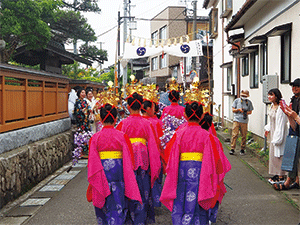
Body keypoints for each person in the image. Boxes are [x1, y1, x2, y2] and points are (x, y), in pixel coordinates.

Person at [160, 101, 229, 225]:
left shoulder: (179, 134)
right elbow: (213, 160)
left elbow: (171, 156)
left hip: (182, 170)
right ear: (202, 116)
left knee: (181, 198)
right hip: (201, 170)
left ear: (185, 116)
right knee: (199, 197)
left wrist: (170, 172)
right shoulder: (207, 136)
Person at [87, 102, 142, 225]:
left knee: (103, 207)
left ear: (100, 119)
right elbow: (129, 160)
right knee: (118, 206)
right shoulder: (122, 136)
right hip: (119, 175)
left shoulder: (95, 138)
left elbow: (92, 163)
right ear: (116, 119)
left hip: (101, 174)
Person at [116, 92, 161, 224]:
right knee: (144, 188)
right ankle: (141, 219)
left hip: (127, 158)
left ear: (128, 107)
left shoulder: (122, 124)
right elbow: (153, 146)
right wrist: (155, 166)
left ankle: (129, 218)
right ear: (141, 105)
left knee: (128, 186)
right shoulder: (147, 124)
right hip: (144, 158)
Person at [274, 78, 300, 190]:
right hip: (294, 131)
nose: (294, 89)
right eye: (293, 86)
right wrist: (289, 114)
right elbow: (294, 122)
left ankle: (290, 182)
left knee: (296, 158)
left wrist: (294, 116)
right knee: (291, 155)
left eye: (296, 86)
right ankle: (292, 181)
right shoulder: (294, 99)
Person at [264, 88, 288, 184]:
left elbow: (281, 123)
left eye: (271, 95)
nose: (269, 97)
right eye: (269, 95)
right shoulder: (272, 106)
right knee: (273, 155)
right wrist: (267, 129)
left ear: (277, 96)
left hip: (280, 133)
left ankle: (281, 176)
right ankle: (277, 174)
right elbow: (271, 121)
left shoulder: (281, 107)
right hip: (273, 132)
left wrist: (278, 138)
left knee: (280, 155)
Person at [230, 90, 254, 155]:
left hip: (244, 120)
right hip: (236, 120)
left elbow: (250, 111)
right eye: (242, 96)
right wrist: (238, 110)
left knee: (244, 135)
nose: (243, 97)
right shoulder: (236, 101)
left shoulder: (249, 102)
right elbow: (233, 110)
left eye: (245, 96)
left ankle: (242, 149)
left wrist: (245, 112)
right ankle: (232, 148)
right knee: (234, 134)